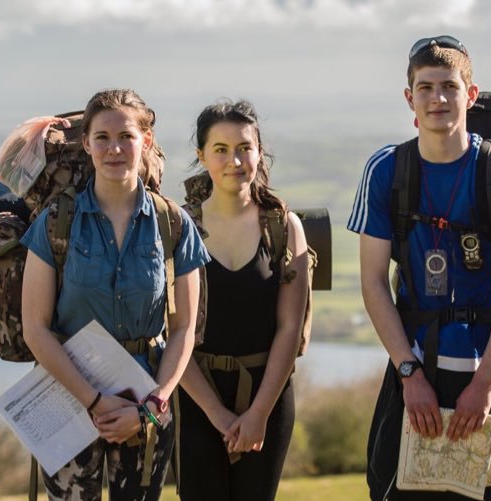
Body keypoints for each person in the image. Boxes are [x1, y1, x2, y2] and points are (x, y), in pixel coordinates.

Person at [348, 35, 491, 500]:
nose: (438, 98)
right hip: (420, 373)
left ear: (469, 96)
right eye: (426, 87)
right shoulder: (386, 170)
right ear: (409, 96)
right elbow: (373, 284)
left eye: (450, 86)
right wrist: (409, 376)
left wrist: (485, 383)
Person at [20, 88, 210, 500]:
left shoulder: (173, 224)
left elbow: (184, 329)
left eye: (126, 136)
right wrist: (94, 402)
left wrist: (151, 407)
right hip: (67, 398)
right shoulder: (55, 223)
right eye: (102, 138)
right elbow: (36, 329)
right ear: (86, 143)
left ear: (147, 141)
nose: (115, 148)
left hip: (145, 403)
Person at [176, 99, 310, 500]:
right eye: (220, 149)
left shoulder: (284, 227)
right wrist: (217, 415)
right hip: (195, 401)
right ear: (201, 156)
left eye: (244, 148)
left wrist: (258, 414)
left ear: (259, 153)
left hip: (267, 396)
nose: (234, 160)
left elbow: (289, 328)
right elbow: (173, 331)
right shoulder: (180, 228)